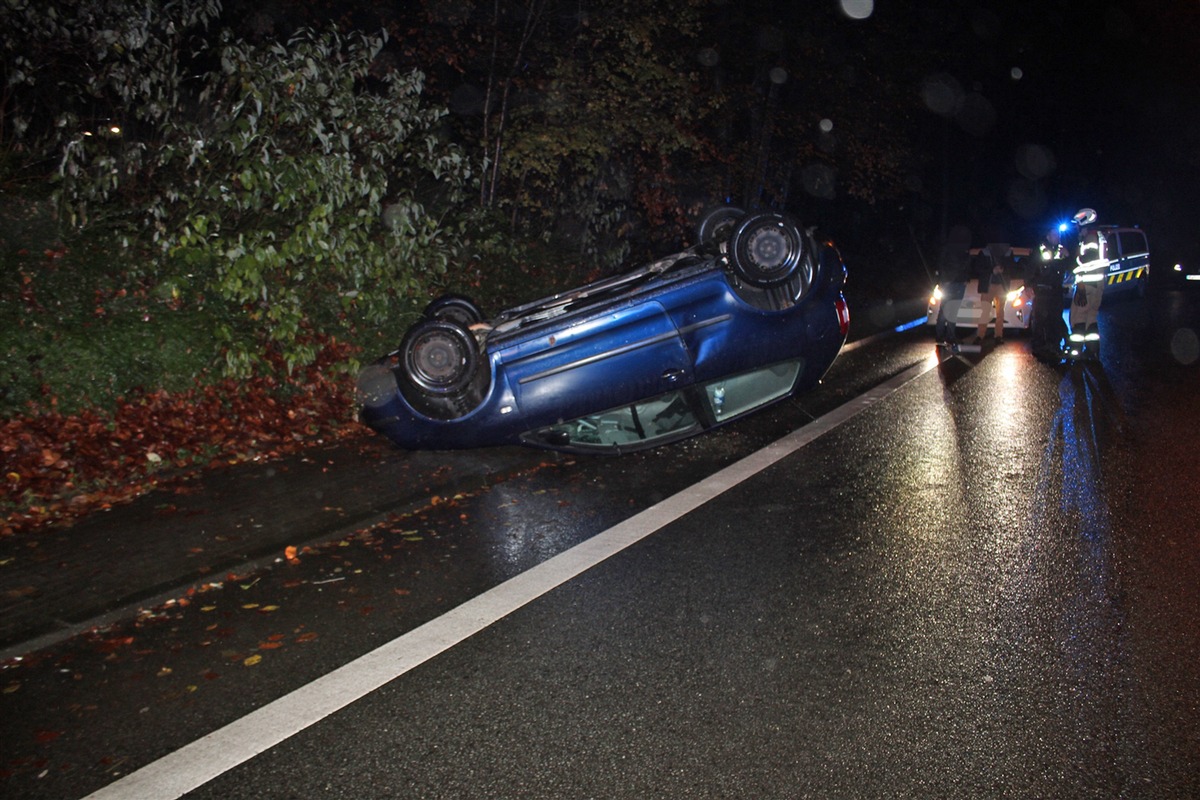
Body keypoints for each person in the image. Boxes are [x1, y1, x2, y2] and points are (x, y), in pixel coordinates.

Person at [1070, 209, 1108, 358]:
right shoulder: (1100, 236)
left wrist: (1076, 258)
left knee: (1078, 318)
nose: (1076, 228)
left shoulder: (1090, 238)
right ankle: (1093, 351)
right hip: (1097, 284)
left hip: (1087, 285)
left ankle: (1076, 351)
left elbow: (1088, 259)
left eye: (1077, 225)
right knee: (1091, 318)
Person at [1029, 227, 1071, 361]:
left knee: (1055, 319)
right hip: (1042, 290)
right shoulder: (1041, 249)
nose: (1057, 237)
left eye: (1058, 235)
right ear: (1048, 236)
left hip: (1056, 290)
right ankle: (1039, 346)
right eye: (1054, 234)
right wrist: (1028, 285)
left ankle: (1054, 346)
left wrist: (1067, 256)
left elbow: (1067, 267)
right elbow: (1033, 268)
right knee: (1040, 320)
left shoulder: (1060, 250)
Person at [934, 225, 971, 351]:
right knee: (945, 308)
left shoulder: (965, 249)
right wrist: (944, 280)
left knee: (953, 309)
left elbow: (967, 265)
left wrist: (966, 278)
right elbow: (941, 265)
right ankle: (940, 334)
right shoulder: (947, 248)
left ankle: (950, 335)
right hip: (949, 282)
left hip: (959, 282)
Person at [974, 243, 1011, 344]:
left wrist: (1003, 269)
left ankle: (998, 335)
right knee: (985, 311)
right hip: (988, 285)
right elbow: (977, 267)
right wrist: (992, 271)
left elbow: (1012, 267)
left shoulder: (1008, 253)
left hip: (1001, 285)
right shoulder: (984, 253)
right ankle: (981, 335)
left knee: (1000, 312)